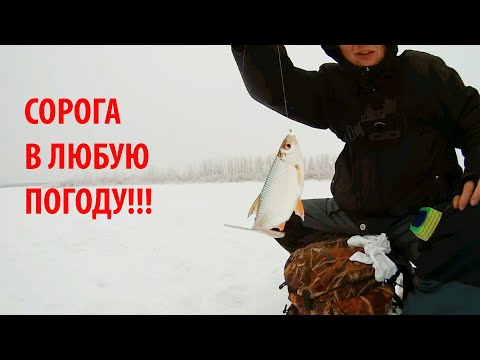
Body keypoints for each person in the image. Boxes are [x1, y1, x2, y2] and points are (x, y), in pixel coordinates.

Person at [231, 45, 480, 315]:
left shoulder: (424, 71)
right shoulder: (334, 85)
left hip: (423, 215)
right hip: (355, 216)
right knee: (281, 219)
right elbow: (274, 87)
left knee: (467, 239)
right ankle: (367, 269)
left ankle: (410, 279)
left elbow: (474, 119)